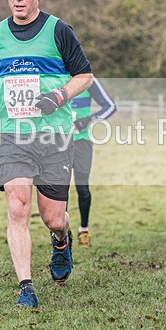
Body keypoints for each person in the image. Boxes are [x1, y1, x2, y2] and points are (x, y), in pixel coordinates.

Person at [0, 0, 93, 309]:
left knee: (53, 217)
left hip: (54, 136)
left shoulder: (58, 31)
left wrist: (58, 96)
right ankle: (26, 286)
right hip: (13, 137)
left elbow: (84, 76)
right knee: (17, 206)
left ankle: (61, 240)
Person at [70, 78, 117, 248]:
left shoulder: (86, 79)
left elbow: (110, 106)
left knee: (82, 189)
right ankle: (60, 235)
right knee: (57, 190)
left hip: (82, 142)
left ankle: (84, 230)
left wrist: (88, 120)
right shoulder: (52, 75)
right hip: (55, 142)